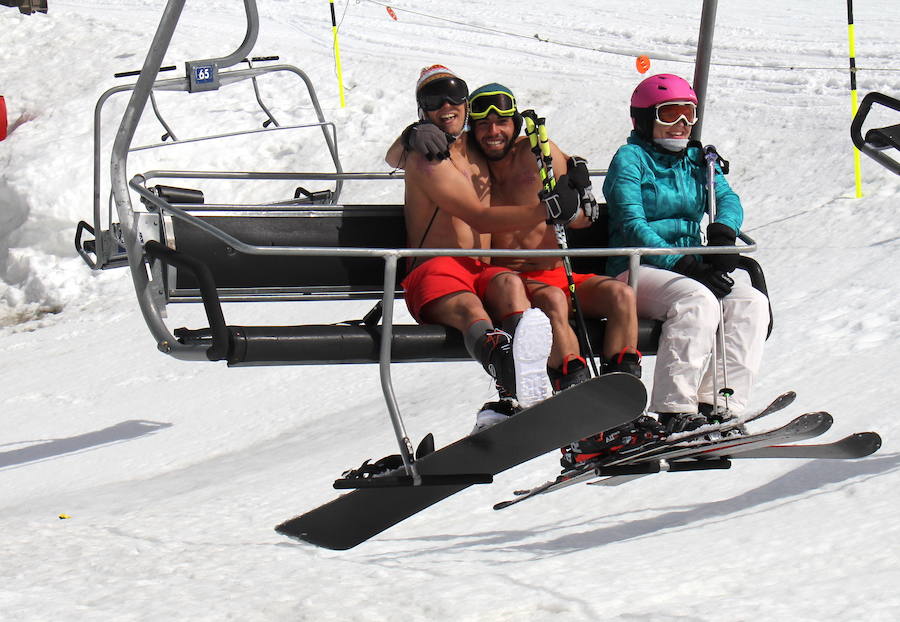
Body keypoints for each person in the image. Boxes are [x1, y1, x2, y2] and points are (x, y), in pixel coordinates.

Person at [463, 83, 660, 466]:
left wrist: (571, 206)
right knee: (552, 301)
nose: (493, 132)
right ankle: (582, 419)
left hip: (556, 269)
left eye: (501, 122)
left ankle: (621, 410)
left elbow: (586, 214)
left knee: (621, 296)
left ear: (515, 123)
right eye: (483, 124)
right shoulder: (468, 164)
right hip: (514, 280)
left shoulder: (538, 152)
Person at [397, 66, 583, 432]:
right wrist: (410, 135)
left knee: (512, 286)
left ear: (466, 104)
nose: (446, 105)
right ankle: (515, 387)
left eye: (454, 95)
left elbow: (529, 147)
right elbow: (478, 217)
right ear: (422, 110)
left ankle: (543, 389)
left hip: (481, 270)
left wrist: (574, 168)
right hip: (438, 267)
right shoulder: (426, 156)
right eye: (433, 100)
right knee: (469, 309)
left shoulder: (475, 147)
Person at [602, 73, 769, 434]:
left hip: (688, 268)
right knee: (696, 301)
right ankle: (674, 408)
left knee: (749, 302)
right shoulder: (630, 159)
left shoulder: (698, 159)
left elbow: (726, 198)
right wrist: (681, 262)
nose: (681, 125)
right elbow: (632, 224)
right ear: (644, 119)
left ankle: (719, 404)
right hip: (636, 268)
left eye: (688, 115)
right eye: (670, 114)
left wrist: (723, 231)